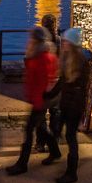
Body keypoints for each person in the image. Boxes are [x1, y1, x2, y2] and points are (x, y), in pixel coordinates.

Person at [6, 27, 60, 176]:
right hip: (41, 99)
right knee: (41, 126)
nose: (29, 40)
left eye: (31, 38)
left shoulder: (40, 58)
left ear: (36, 40)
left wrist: (35, 101)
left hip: (39, 101)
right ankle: (55, 152)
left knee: (29, 130)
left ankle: (22, 164)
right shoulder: (48, 55)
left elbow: (40, 82)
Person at [43, 28, 88, 183]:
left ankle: (71, 172)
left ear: (74, 44)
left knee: (70, 137)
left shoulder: (80, 61)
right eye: (64, 41)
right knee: (56, 130)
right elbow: (62, 82)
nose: (64, 44)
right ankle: (55, 153)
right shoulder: (67, 57)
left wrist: (78, 111)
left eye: (67, 42)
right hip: (66, 103)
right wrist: (49, 94)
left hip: (74, 106)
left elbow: (82, 89)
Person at [38, 13, 62, 151]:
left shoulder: (40, 42)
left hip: (43, 81)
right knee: (55, 113)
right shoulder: (58, 40)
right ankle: (55, 139)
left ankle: (41, 142)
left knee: (40, 114)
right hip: (55, 80)